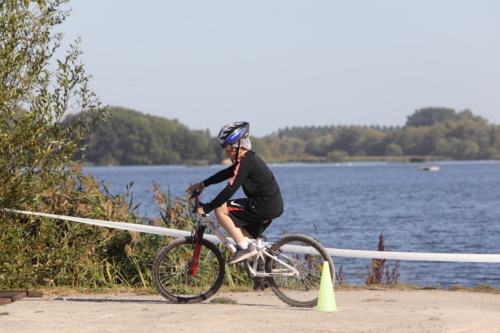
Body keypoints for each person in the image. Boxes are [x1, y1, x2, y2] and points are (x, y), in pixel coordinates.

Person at [186, 121, 284, 267]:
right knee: (246, 237)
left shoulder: (246, 163)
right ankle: (263, 274)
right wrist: (202, 184)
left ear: (241, 147)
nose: (226, 153)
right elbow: (225, 174)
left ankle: (244, 249)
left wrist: (207, 208)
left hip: (263, 205)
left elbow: (230, 190)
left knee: (220, 209)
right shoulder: (247, 160)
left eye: (229, 150)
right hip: (270, 205)